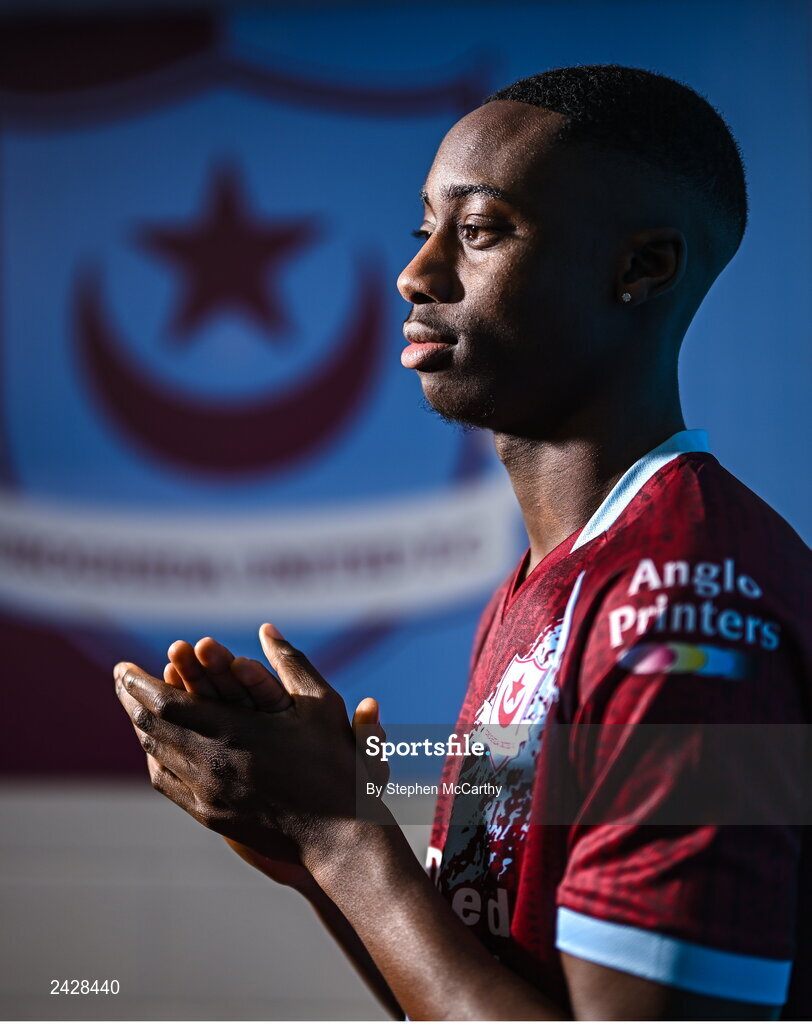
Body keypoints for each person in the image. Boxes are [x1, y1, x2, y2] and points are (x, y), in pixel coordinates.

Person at [114, 64, 812, 1020]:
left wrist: (338, 837)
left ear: (642, 268)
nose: (416, 272)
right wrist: (309, 837)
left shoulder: (688, 614)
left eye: (479, 231)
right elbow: (479, 983)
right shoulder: (542, 588)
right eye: (425, 228)